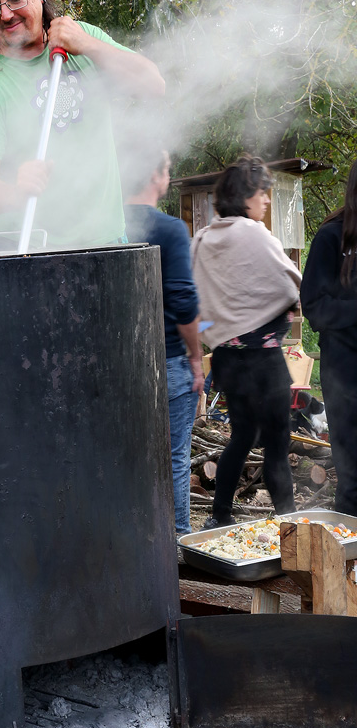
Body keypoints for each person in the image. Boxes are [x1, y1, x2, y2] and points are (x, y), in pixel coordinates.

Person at [0, 0, 165, 249]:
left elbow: (153, 85)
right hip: (30, 255)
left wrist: (86, 45)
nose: (5, 15)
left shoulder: (84, 41)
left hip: (105, 243)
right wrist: (16, 190)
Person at [191, 157, 301, 528]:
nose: (265, 200)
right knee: (276, 443)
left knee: (241, 437)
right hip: (263, 361)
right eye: (260, 193)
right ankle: (289, 524)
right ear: (245, 196)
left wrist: (218, 330)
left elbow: (198, 302)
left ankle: (219, 516)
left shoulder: (203, 239)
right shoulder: (253, 233)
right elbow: (289, 283)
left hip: (227, 358)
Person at [124, 150, 203, 537]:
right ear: (155, 176)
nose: (168, 176)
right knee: (173, 458)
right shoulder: (170, 229)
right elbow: (183, 300)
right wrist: (197, 358)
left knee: (125, 456)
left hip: (117, 362)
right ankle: (174, 543)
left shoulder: (101, 226)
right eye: (167, 169)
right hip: (169, 360)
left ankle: (133, 538)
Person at [300, 159, 357, 516]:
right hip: (344, 375)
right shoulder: (332, 236)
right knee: (352, 479)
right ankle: (349, 563)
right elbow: (314, 306)